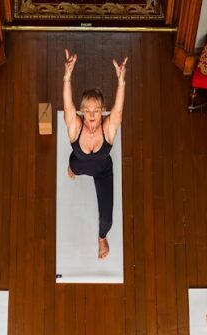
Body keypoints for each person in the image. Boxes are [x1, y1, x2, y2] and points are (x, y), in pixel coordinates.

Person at [62, 49, 127, 260]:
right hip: (79, 163)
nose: (91, 115)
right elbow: (67, 105)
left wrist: (121, 82)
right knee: (74, 166)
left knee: (107, 219)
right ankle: (72, 169)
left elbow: (118, 111)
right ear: (82, 111)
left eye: (96, 110)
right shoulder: (75, 126)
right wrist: (67, 77)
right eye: (87, 110)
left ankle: (101, 238)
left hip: (102, 170)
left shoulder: (108, 128)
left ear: (102, 111)